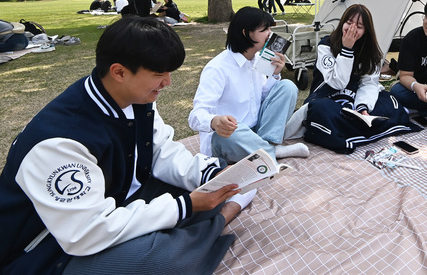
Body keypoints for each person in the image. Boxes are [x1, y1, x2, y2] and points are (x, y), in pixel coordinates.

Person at [0, 17, 250, 275]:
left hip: (118, 201)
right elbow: (85, 233)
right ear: (119, 72)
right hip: (50, 251)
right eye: (158, 74)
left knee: (215, 180)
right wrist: (185, 206)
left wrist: (207, 175)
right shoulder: (58, 142)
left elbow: (160, 150)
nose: (168, 82)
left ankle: (194, 228)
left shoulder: (136, 98)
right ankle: (216, 222)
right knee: (162, 263)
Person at [284, 4, 419, 152]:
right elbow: (337, 83)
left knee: (389, 101)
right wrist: (347, 50)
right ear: (342, 23)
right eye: (349, 23)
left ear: (366, 30)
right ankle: (356, 129)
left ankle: (351, 127)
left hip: (354, 100)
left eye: (359, 26)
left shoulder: (369, 52)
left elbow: (369, 83)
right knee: (319, 110)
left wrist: (363, 107)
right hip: (328, 98)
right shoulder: (326, 46)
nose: (352, 29)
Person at [188, 7, 307, 165]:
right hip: (229, 138)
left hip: (255, 133)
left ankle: (265, 145)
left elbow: (263, 97)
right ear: (246, 33)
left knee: (287, 86)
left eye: (270, 28)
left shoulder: (258, 59)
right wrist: (214, 121)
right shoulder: (217, 68)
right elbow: (195, 116)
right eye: (264, 29)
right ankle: (272, 152)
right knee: (233, 131)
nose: (270, 34)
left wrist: (276, 74)